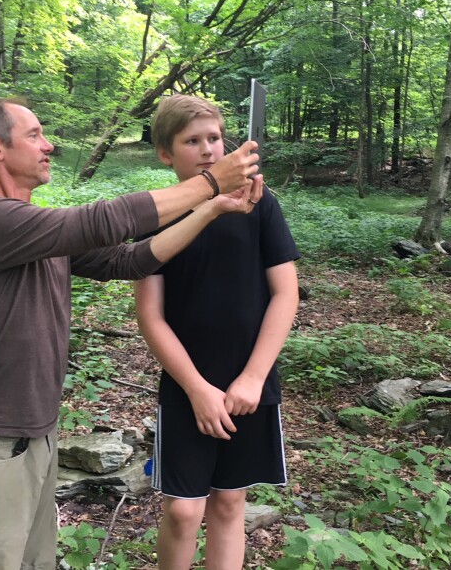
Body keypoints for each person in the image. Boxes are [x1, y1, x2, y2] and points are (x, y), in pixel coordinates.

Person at [0, 97, 263, 570]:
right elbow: (102, 221)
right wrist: (210, 182)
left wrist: (212, 209)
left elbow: (130, 259)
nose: (49, 145)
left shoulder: (37, 233)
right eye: (34, 135)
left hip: (36, 436)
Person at [134, 95, 300, 570]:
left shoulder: (259, 202)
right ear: (166, 153)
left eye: (214, 138)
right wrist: (197, 390)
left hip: (250, 384)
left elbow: (285, 295)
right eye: (192, 141)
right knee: (185, 511)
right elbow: (151, 317)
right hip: (188, 386)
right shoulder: (155, 215)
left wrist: (251, 378)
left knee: (228, 504)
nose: (208, 149)